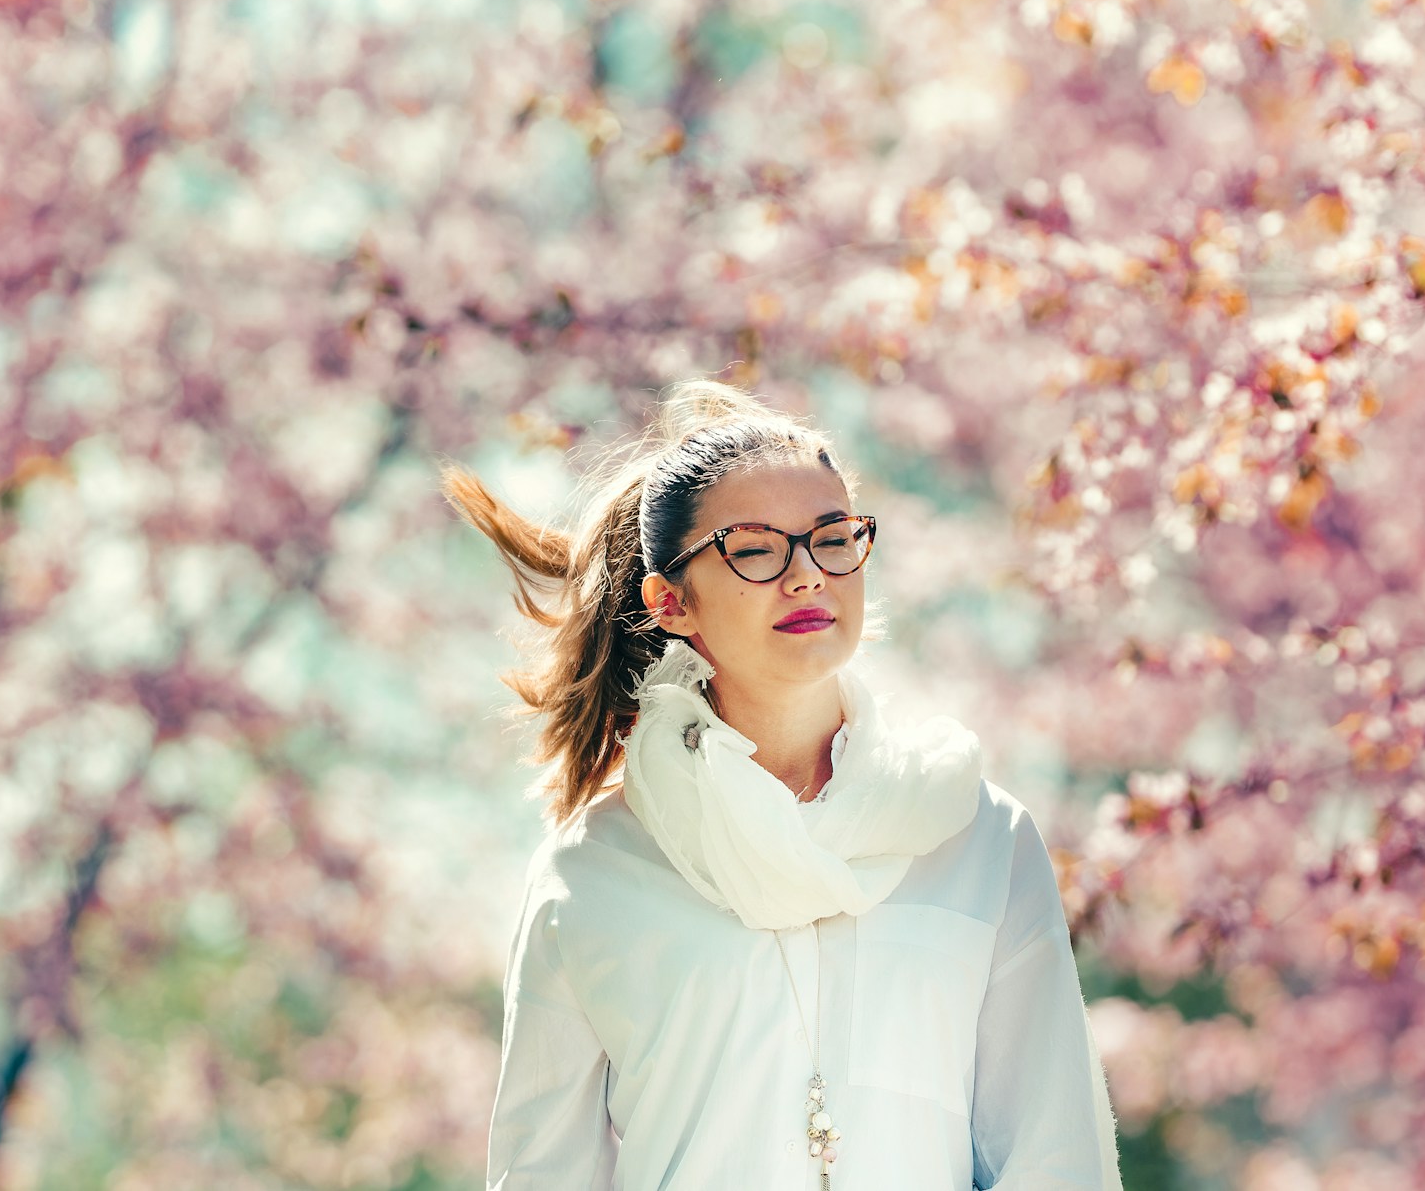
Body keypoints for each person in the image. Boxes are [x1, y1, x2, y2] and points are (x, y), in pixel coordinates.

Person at [444, 377, 1123, 1191]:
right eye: (756, 549)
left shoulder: (976, 835)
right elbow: (542, 1175)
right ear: (670, 601)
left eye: (832, 538)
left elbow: (1055, 1156)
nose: (807, 576)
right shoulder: (592, 872)